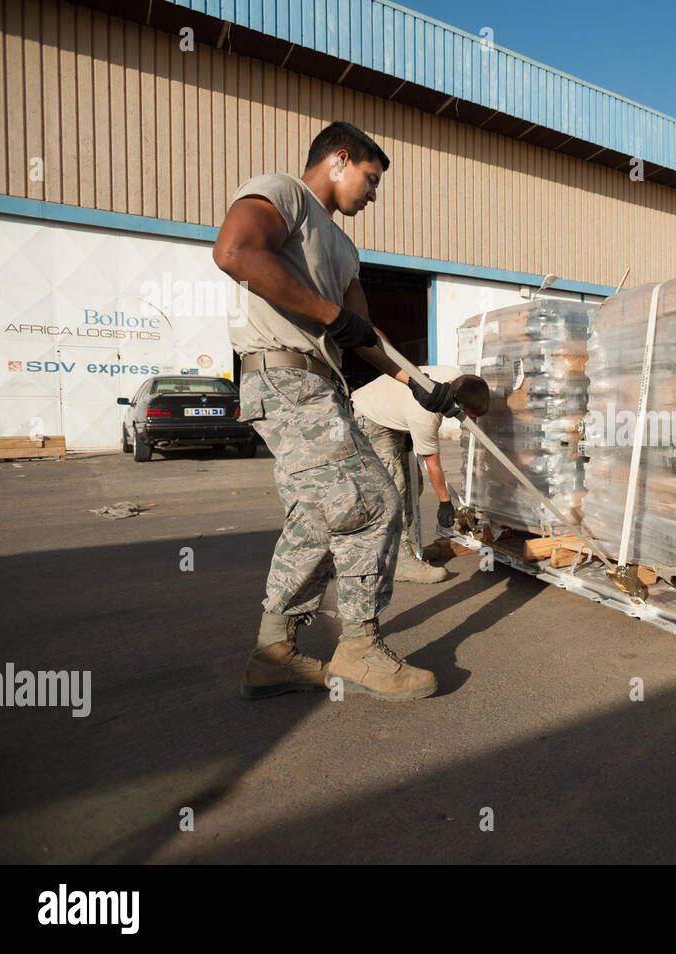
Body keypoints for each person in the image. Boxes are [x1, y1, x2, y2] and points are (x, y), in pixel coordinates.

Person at [213, 120, 460, 701]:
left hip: (324, 387)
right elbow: (235, 251)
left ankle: (273, 653)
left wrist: (418, 384)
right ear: (340, 160)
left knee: (318, 519)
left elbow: (363, 334)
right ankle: (359, 649)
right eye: (371, 180)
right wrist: (328, 315)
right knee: (374, 503)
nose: (373, 194)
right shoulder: (283, 194)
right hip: (283, 376)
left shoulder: (345, 247)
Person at [351, 369, 490, 583]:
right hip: (369, 415)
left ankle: (401, 547)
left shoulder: (460, 380)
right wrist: (444, 502)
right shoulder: (426, 412)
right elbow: (432, 463)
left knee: (413, 484)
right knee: (393, 491)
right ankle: (399, 563)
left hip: (394, 412)